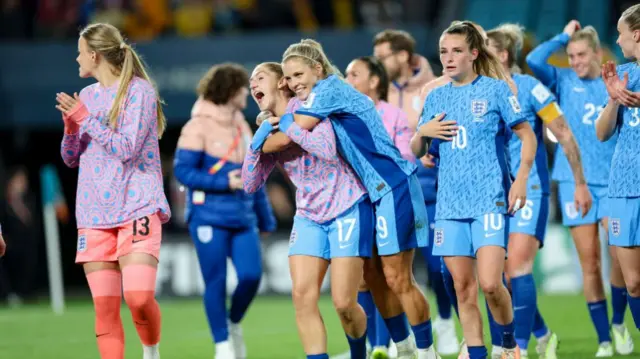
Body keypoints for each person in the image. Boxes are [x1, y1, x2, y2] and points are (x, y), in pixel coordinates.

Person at [266, 39, 439, 359]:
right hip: (373, 193)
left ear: (318, 69)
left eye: (298, 74)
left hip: (394, 185)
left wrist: (269, 128)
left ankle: (427, 352)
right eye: (288, 77)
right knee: (373, 276)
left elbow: (297, 128)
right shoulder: (323, 94)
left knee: (398, 278)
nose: (293, 82)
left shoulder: (329, 90)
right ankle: (405, 350)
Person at [412, 20, 537, 359]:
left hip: (489, 200)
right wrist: (421, 132)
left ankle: (509, 344)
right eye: (443, 52)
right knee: (462, 288)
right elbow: (417, 152)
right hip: (449, 205)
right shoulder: (435, 96)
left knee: (491, 284)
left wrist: (522, 178)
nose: (448, 58)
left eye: (456, 51)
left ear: (473, 54)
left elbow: (527, 134)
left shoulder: (496, 90)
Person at [243, 61, 373, 359]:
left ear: (279, 83)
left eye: (259, 77)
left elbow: (326, 148)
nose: (253, 85)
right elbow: (250, 184)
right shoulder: (269, 129)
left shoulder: (309, 108)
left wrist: (287, 126)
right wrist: (257, 141)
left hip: (346, 206)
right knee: (302, 297)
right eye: (251, 82)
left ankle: (358, 354)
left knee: (344, 303)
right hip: (309, 216)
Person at [56, 22, 170, 359]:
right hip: (93, 214)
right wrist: (71, 130)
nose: (76, 59)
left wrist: (86, 119)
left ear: (94, 54)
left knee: (137, 298)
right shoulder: (88, 96)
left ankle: (151, 351)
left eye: (79, 52)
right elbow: (70, 158)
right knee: (105, 311)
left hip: (137, 205)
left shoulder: (140, 93)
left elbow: (127, 148)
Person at [526, 20, 634, 356]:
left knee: (618, 259)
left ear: (597, 53)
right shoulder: (562, 80)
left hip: (614, 180)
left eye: (581, 54)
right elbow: (534, 61)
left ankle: (618, 322)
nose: (575, 61)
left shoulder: (612, 81)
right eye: (571, 55)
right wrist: (563, 36)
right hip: (574, 182)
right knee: (589, 263)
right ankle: (604, 338)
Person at [487, 23, 594, 358]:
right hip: (492, 193)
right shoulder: (480, 92)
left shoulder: (530, 89)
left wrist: (578, 182)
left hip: (530, 188)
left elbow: (562, 132)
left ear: (502, 55)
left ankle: (515, 348)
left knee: (517, 267)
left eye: (485, 49)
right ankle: (543, 334)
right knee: (499, 274)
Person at [173, 63, 277, 359]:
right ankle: (222, 345)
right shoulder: (197, 126)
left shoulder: (242, 126)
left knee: (251, 277)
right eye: (244, 87)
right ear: (231, 91)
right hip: (209, 217)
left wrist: (265, 216)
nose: (249, 91)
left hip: (243, 218)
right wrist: (223, 181)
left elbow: (255, 174)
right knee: (215, 280)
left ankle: (232, 323)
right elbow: (183, 172)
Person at [373, 32, 459, 356]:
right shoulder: (378, 96)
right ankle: (395, 342)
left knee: (439, 267)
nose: (379, 63)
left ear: (404, 56)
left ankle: (446, 321)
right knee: (391, 273)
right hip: (392, 194)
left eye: (384, 56)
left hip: (431, 189)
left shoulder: (434, 87)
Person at [345, 55, 417, 358]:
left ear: (374, 81)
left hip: (389, 199)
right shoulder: (342, 117)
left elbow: (405, 160)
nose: (347, 81)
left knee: (394, 277)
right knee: (364, 277)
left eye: (354, 74)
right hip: (356, 202)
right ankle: (378, 345)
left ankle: (413, 345)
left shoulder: (393, 115)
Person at [595, 2, 640, 334]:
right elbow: (602, 133)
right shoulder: (627, 74)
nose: (618, 39)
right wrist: (612, 99)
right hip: (624, 188)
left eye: (621, 33)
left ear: (636, 35)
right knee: (634, 282)